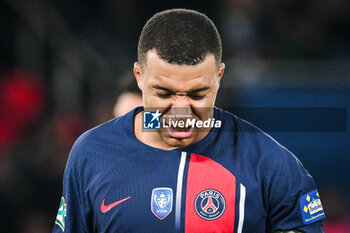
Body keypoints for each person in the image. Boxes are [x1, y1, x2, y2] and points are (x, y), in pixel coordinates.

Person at [53, 9, 325, 233]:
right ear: (139, 76)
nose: (181, 112)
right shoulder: (91, 153)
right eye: (164, 93)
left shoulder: (269, 163)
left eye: (197, 94)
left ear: (219, 77)